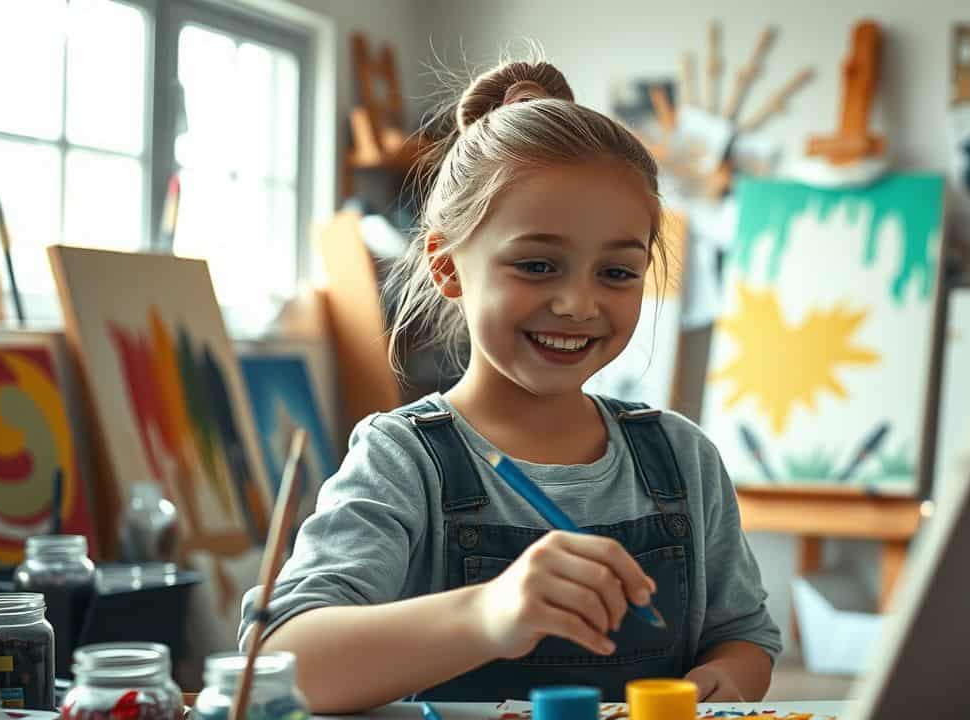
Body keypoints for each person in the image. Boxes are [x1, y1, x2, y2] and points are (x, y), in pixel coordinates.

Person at [240, 57, 782, 713]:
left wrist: (731, 678)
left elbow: (744, 637)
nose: (579, 303)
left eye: (617, 273)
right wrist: (488, 615)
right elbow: (279, 662)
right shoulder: (402, 459)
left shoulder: (683, 457)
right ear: (447, 267)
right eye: (537, 264)